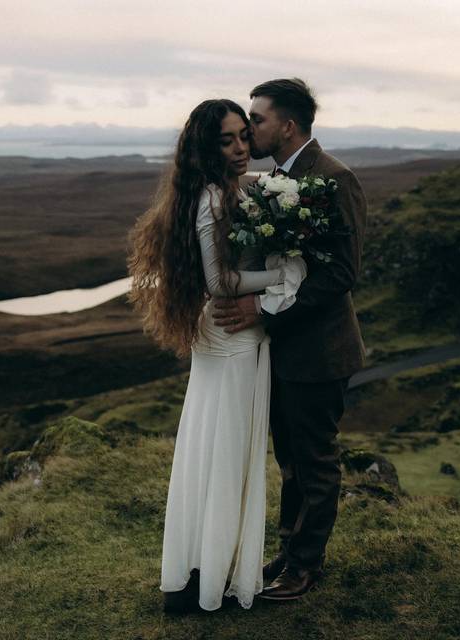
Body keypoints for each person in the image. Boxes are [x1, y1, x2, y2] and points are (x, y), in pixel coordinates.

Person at [127, 99, 304, 612]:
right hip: (231, 336)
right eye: (227, 140)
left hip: (222, 337)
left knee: (210, 448)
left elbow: (259, 190)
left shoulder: (228, 190)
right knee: (227, 454)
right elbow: (220, 282)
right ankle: (211, 580)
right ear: (206, 148)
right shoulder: (212, 200)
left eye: (244, 136)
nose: (240, 148)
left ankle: (201, 570)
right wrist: (284, 274)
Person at [212, 78, 367, 601]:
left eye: (257, 119)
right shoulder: (275, 177)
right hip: (283, 352)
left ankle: (305, 567)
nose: (250, 127)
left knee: (315, 460)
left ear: (288, 125)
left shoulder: (334, 179)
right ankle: (291, 549)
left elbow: (339, 275)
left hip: (320, 350)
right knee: (291, 461)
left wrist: (264, 310)